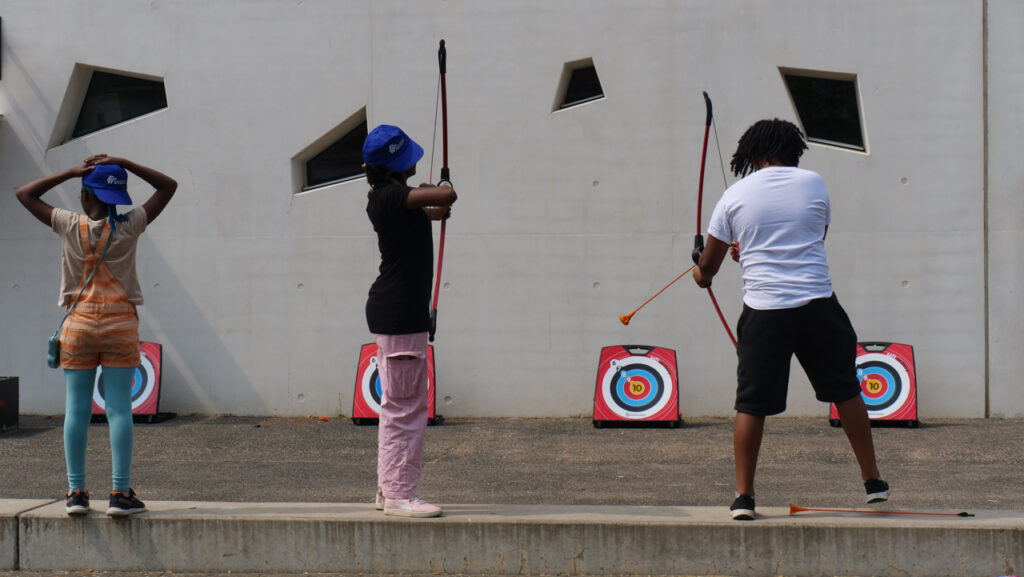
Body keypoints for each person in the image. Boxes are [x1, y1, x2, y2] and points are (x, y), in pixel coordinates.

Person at [692, 119, 889, 521]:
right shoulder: (814, 183)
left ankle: (744, 498)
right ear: (792, 151)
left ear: (753, 152)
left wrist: (700, 267)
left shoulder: (734, 196)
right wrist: (748, 250)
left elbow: (706, 271)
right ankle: (873, 482)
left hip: (766, 313)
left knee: (752, 404)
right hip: (819, 307)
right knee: (846, 391)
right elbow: (812, 238)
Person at [16, 154, 177, 517]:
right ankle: (120, 494)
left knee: (77, 409)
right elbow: (168, 186)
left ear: (86, 195)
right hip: (121, 324)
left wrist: (72, 172)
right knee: (119, 409)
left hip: (78, 325)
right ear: (117, 197)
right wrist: (126, 163)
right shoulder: (131, 223)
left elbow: (25, 194)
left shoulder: (69, 225)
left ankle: (76, 493)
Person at [362, 124, 457, 518]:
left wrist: (439, 206)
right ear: (397, 164)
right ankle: (400, 493)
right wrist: (445, 186)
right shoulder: (388, 196)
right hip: (400, 314)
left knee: (399, 405)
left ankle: (390, 489)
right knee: (405, 407)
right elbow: (444, 195)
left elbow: (435, 207)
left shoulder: (394, 199)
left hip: (399, 313)